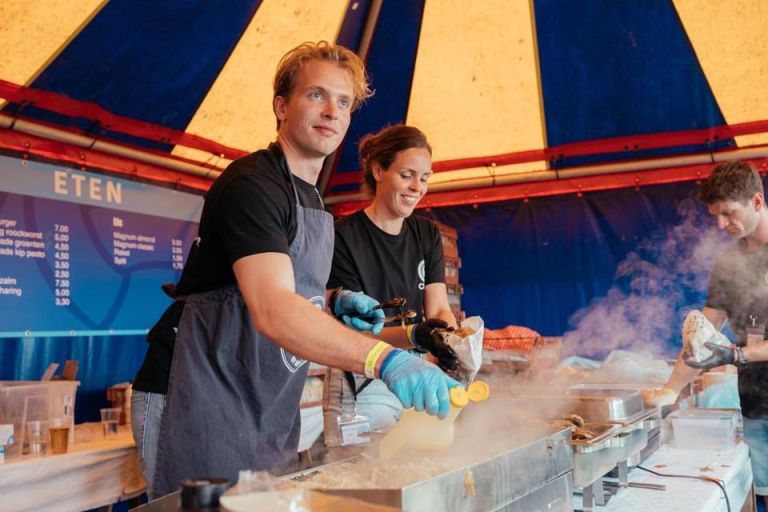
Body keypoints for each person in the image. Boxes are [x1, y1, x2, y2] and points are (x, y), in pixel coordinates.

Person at [139, 41, 461, 498]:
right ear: (281, 106)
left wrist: (330, 301)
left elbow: (284, 287)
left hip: (260, 396)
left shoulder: (310, 198)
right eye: (316, 95)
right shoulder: (253, 185)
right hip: (195, 389)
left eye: (344, 102)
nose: (332, 110)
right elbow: (272, 307)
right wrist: (384, 358)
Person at [324, 125, 460, 439]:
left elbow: (439, 307)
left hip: (419, 371)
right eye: (407, 175)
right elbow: (351, 335)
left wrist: (448, 339)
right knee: (368, 474)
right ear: (378, 169)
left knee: (424, 464)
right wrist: (418, 335)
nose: (417, 187)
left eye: (424, 178)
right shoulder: (343, 237)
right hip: (362, 377)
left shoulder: (426, 234)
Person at [647, 161, 768, 506]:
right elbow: (704, 334)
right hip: (757, 405)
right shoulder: (728, 263)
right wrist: (670, 390)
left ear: (756, 202)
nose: (721, 224)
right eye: (715, 215)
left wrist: (737, 355)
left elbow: (729, 351)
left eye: (729, 213)